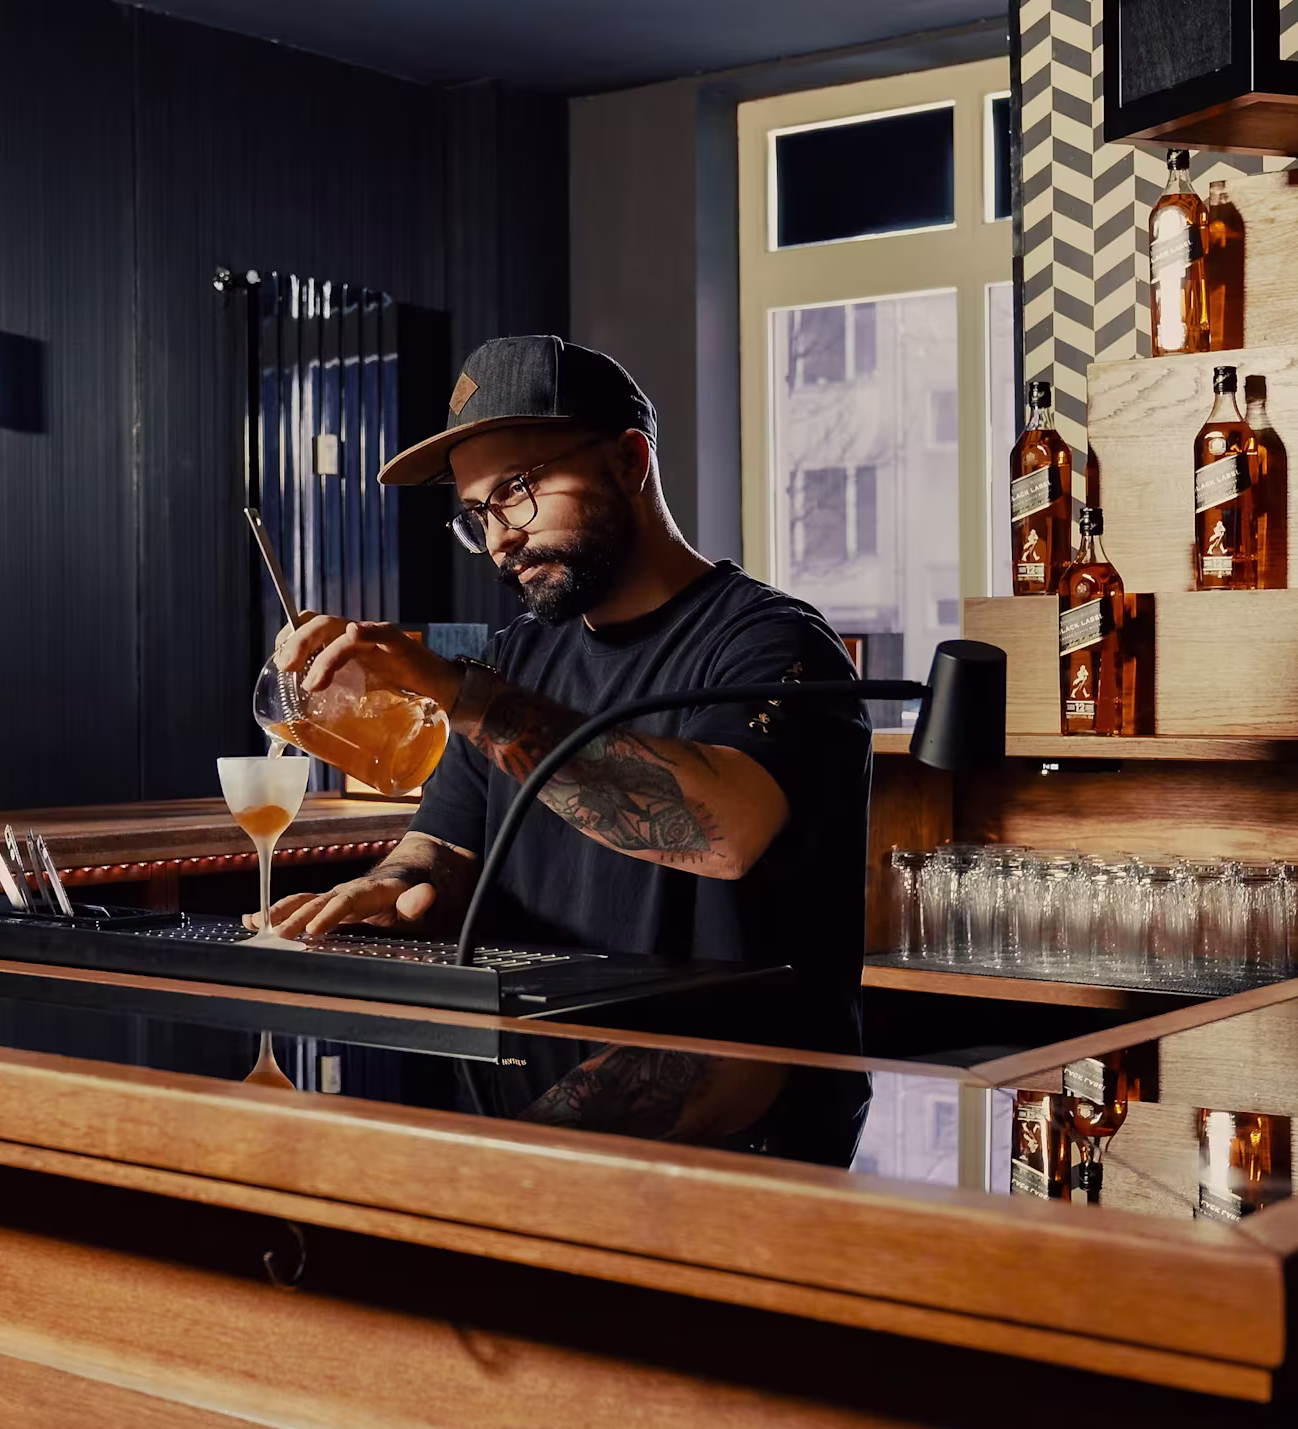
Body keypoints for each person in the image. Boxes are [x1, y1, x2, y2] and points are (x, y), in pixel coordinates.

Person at [257, 336, 873, 1065]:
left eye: (516, 490)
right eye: (477, 513)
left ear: (629, 460)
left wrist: (462, 694)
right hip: (536, 1103)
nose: (499, 541)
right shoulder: (517, 658)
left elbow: (726, 834)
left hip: (742, 1122)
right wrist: (392, 884)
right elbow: (446, 844)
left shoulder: (772, 642)